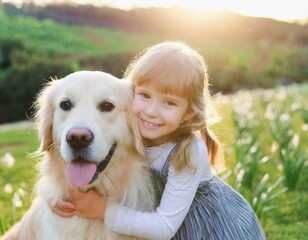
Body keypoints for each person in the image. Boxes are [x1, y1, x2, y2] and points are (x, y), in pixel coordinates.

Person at [52, 41, 266, 240]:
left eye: (169, 103)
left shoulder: (188, 152)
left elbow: (163, 227)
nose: (152, 112)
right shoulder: (134, 133)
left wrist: (103, 209)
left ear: (189, 112)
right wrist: (56, 198)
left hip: (211, 230)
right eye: (144, 95)